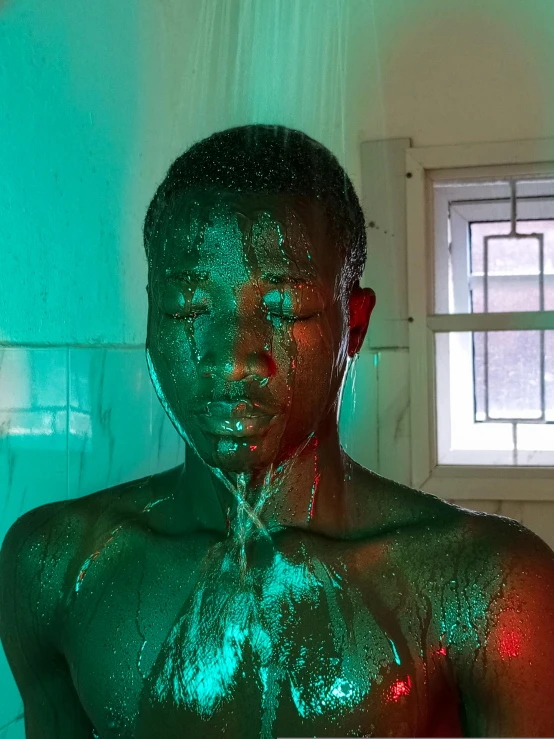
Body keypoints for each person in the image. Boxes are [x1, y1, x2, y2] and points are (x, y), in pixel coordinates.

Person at [1, 124, 554, 739]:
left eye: (286, 309)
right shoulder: (52, 568)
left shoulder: (487, 588)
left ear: (354, 325)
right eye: (187, 309)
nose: (231, 358)